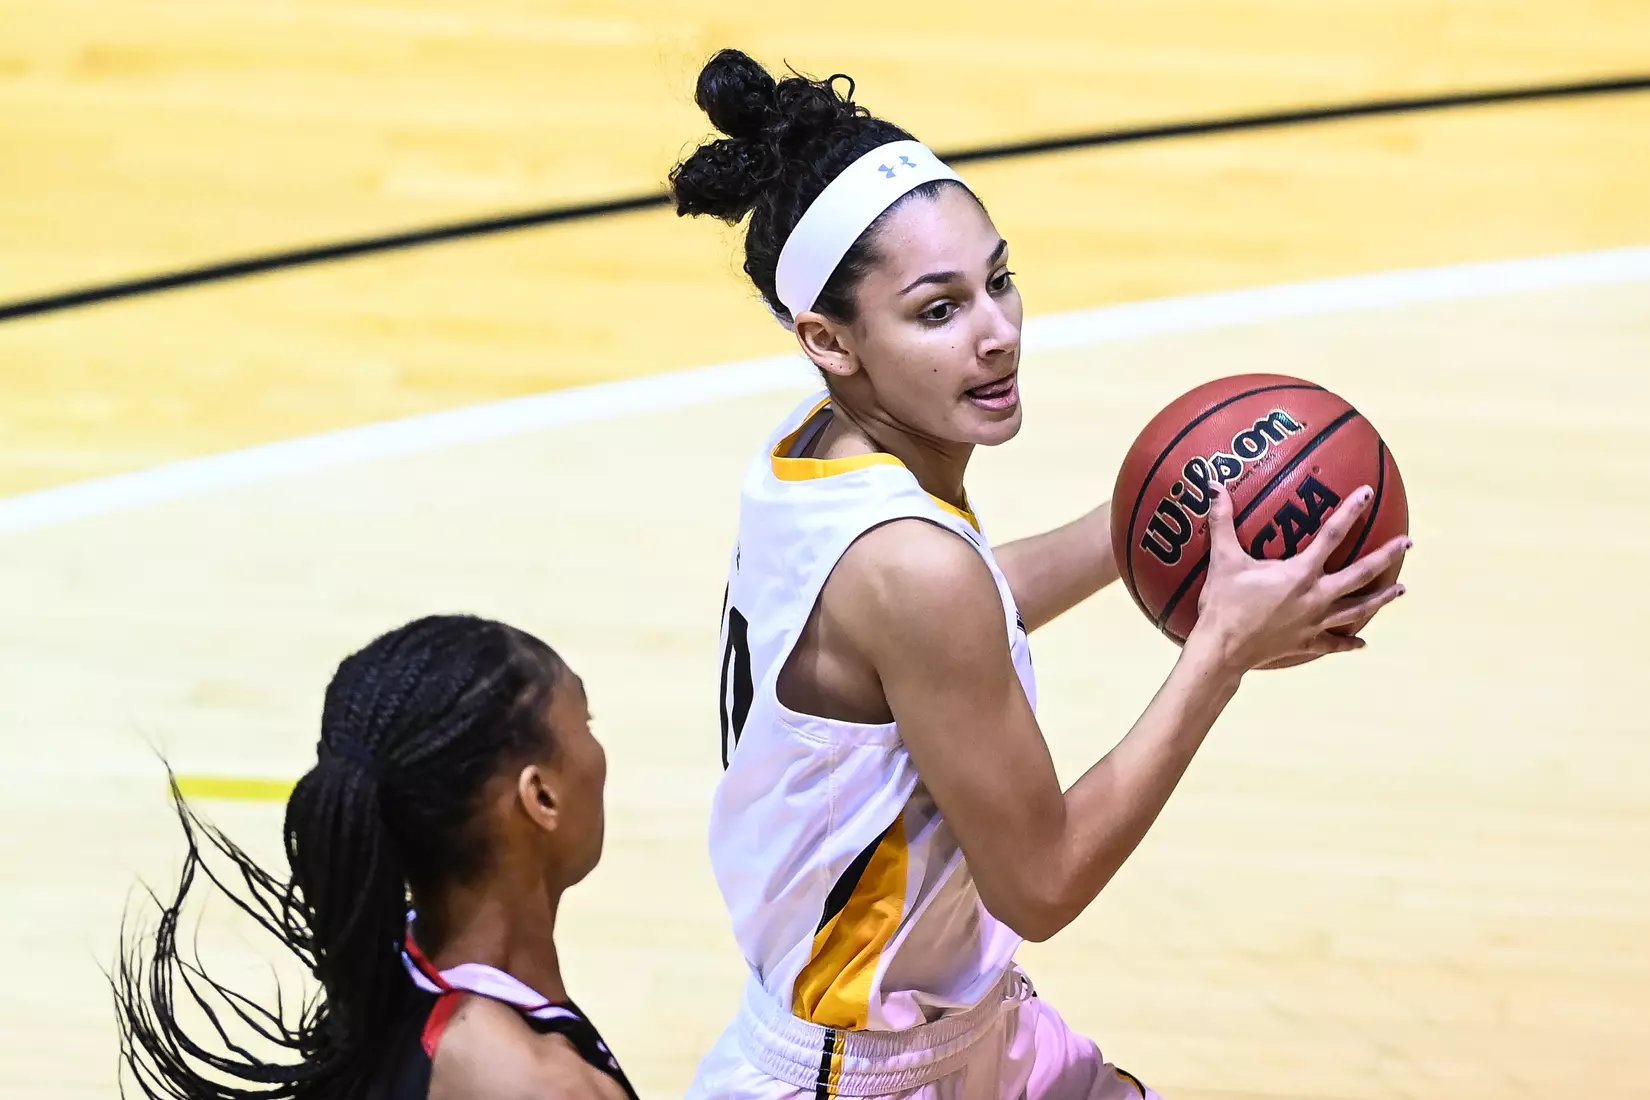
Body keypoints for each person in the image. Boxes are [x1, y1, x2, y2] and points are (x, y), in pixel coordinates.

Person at [671, 49, 1410, 1100]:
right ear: (830, 338)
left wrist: (1155, 524)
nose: (998, 333)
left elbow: (956, 621)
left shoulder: (820, 454)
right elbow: (1045, 877)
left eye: (1000, 280)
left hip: (953, 1025)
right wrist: (1221, 649)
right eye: (939, 310)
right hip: (861, 1074)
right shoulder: (907, 568)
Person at [114, 614, 638, 1100]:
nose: (599, 752)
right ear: (540, 796)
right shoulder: (537, 1083)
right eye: (587, 724)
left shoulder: (391, 963)